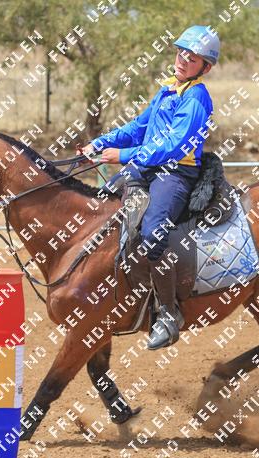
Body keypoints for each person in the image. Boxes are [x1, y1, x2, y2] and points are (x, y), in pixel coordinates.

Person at [80, 25, 219, 350]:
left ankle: (169, 314)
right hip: (148, 166)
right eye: (181, 53)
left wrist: (122, 156)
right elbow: (137, 128)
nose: (183, 60)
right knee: (105, 207)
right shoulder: (168, 89)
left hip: (176, 173)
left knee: (153, 232)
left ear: (205, 68)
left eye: (192, 58)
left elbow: (174, 146)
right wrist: (100, 143)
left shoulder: (196, 98)